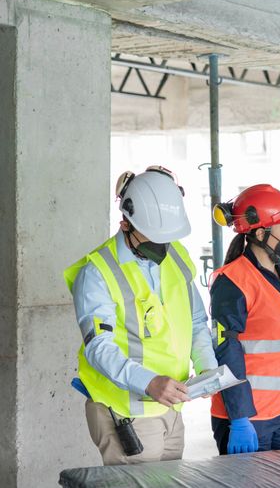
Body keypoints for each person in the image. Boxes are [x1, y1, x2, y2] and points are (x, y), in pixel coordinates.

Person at [64, 166, 218, 465]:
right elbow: (100, 347)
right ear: (125, 223)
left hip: (172, 408)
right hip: (127, 413)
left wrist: (206, 368)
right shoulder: (97, 273)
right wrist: (149, 382)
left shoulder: (176, 256)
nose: (162, 244)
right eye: (153, 235)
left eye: (167, 236)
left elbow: (196, 322)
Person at [208, 184, 280, 454]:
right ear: (259, 233)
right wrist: (239, 418)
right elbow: (226, 351)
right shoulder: (232, 280)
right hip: (248, 416)